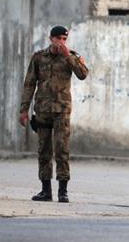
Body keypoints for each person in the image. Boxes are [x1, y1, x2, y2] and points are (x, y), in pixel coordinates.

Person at [19, 26, 89, 203]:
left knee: (62, 150)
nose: (61, 42)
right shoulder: (39, 58)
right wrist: (23, 110)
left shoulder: (71, 57)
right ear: (51, 38)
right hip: (42, 110)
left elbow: (83, 74)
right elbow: (29, 84)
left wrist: (68, 56)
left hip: (62, 111)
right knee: (44, 150)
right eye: (58, 38)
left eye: (64, 39)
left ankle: (63, 192)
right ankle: (45, 191)